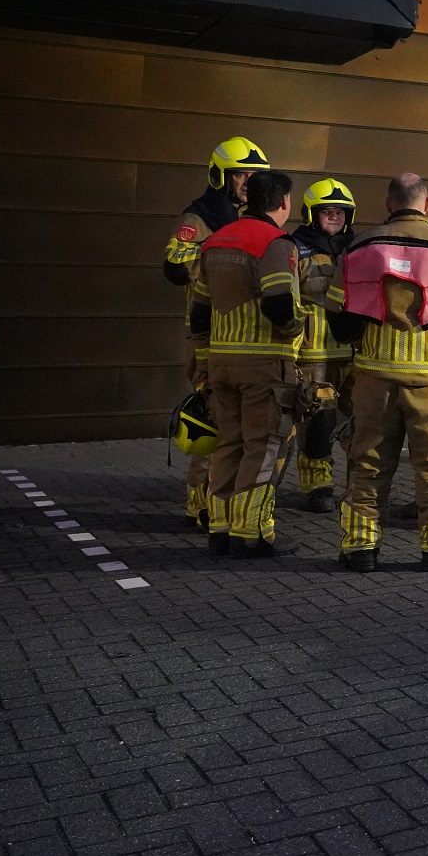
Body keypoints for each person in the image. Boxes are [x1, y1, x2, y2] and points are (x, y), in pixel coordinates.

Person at [326, 174, 428, 572]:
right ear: (427, 204)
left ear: (387, 203)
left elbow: (340, 321)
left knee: (368, 462)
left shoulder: (360, 245)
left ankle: (360, 547)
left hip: (374, 375)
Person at [189, 170, 301, 558]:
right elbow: (279, 303)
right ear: (283, 202)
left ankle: (219, 527)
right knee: (264, 445)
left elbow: (198, 313)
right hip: (264, 363)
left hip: (221, 361)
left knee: (228, 443)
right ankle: (250, 532)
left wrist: (204, 360)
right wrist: (295, 328)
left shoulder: (215, 240)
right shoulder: (274, 242)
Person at [163, 136, 271, 530]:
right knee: (214, 418)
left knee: (240, 424)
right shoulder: (202, 216)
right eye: (241, 174)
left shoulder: (259, 218)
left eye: (254, 176)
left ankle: (227, 499)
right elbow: (175, 266)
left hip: (244, 334)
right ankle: (202, 502)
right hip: (208, 331)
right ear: (220, 176)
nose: (248, 182)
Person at [291, 179, 358, 513]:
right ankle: (318, 485)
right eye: (327, 212)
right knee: (318, 422)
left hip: (355, 353)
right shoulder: (296, 249)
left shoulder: (357, 248)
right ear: (311, 215)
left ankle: (360, 483)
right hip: (312, 352)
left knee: (365, 419)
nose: (334, 217)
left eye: (340, 212)